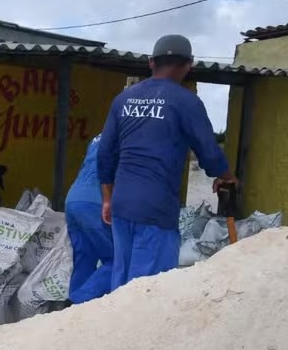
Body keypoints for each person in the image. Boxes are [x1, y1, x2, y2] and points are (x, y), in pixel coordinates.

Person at [97, 34, 238, 290]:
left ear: (151, 62)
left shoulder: (123, 100)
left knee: (121, 282)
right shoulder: (186, 102)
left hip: (122, 204)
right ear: (188, 65)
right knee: (150, 289)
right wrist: (225, 175)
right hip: (156, 208)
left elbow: (105, 153)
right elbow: (209, 151)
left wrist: (107, 198)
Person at [65, 134, 113, 303]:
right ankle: (78, 300)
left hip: (73, 198)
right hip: (95, 201)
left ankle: (71, 310)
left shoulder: (97, 138)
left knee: (84, 258)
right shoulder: (126, 135)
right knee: (117, 260)